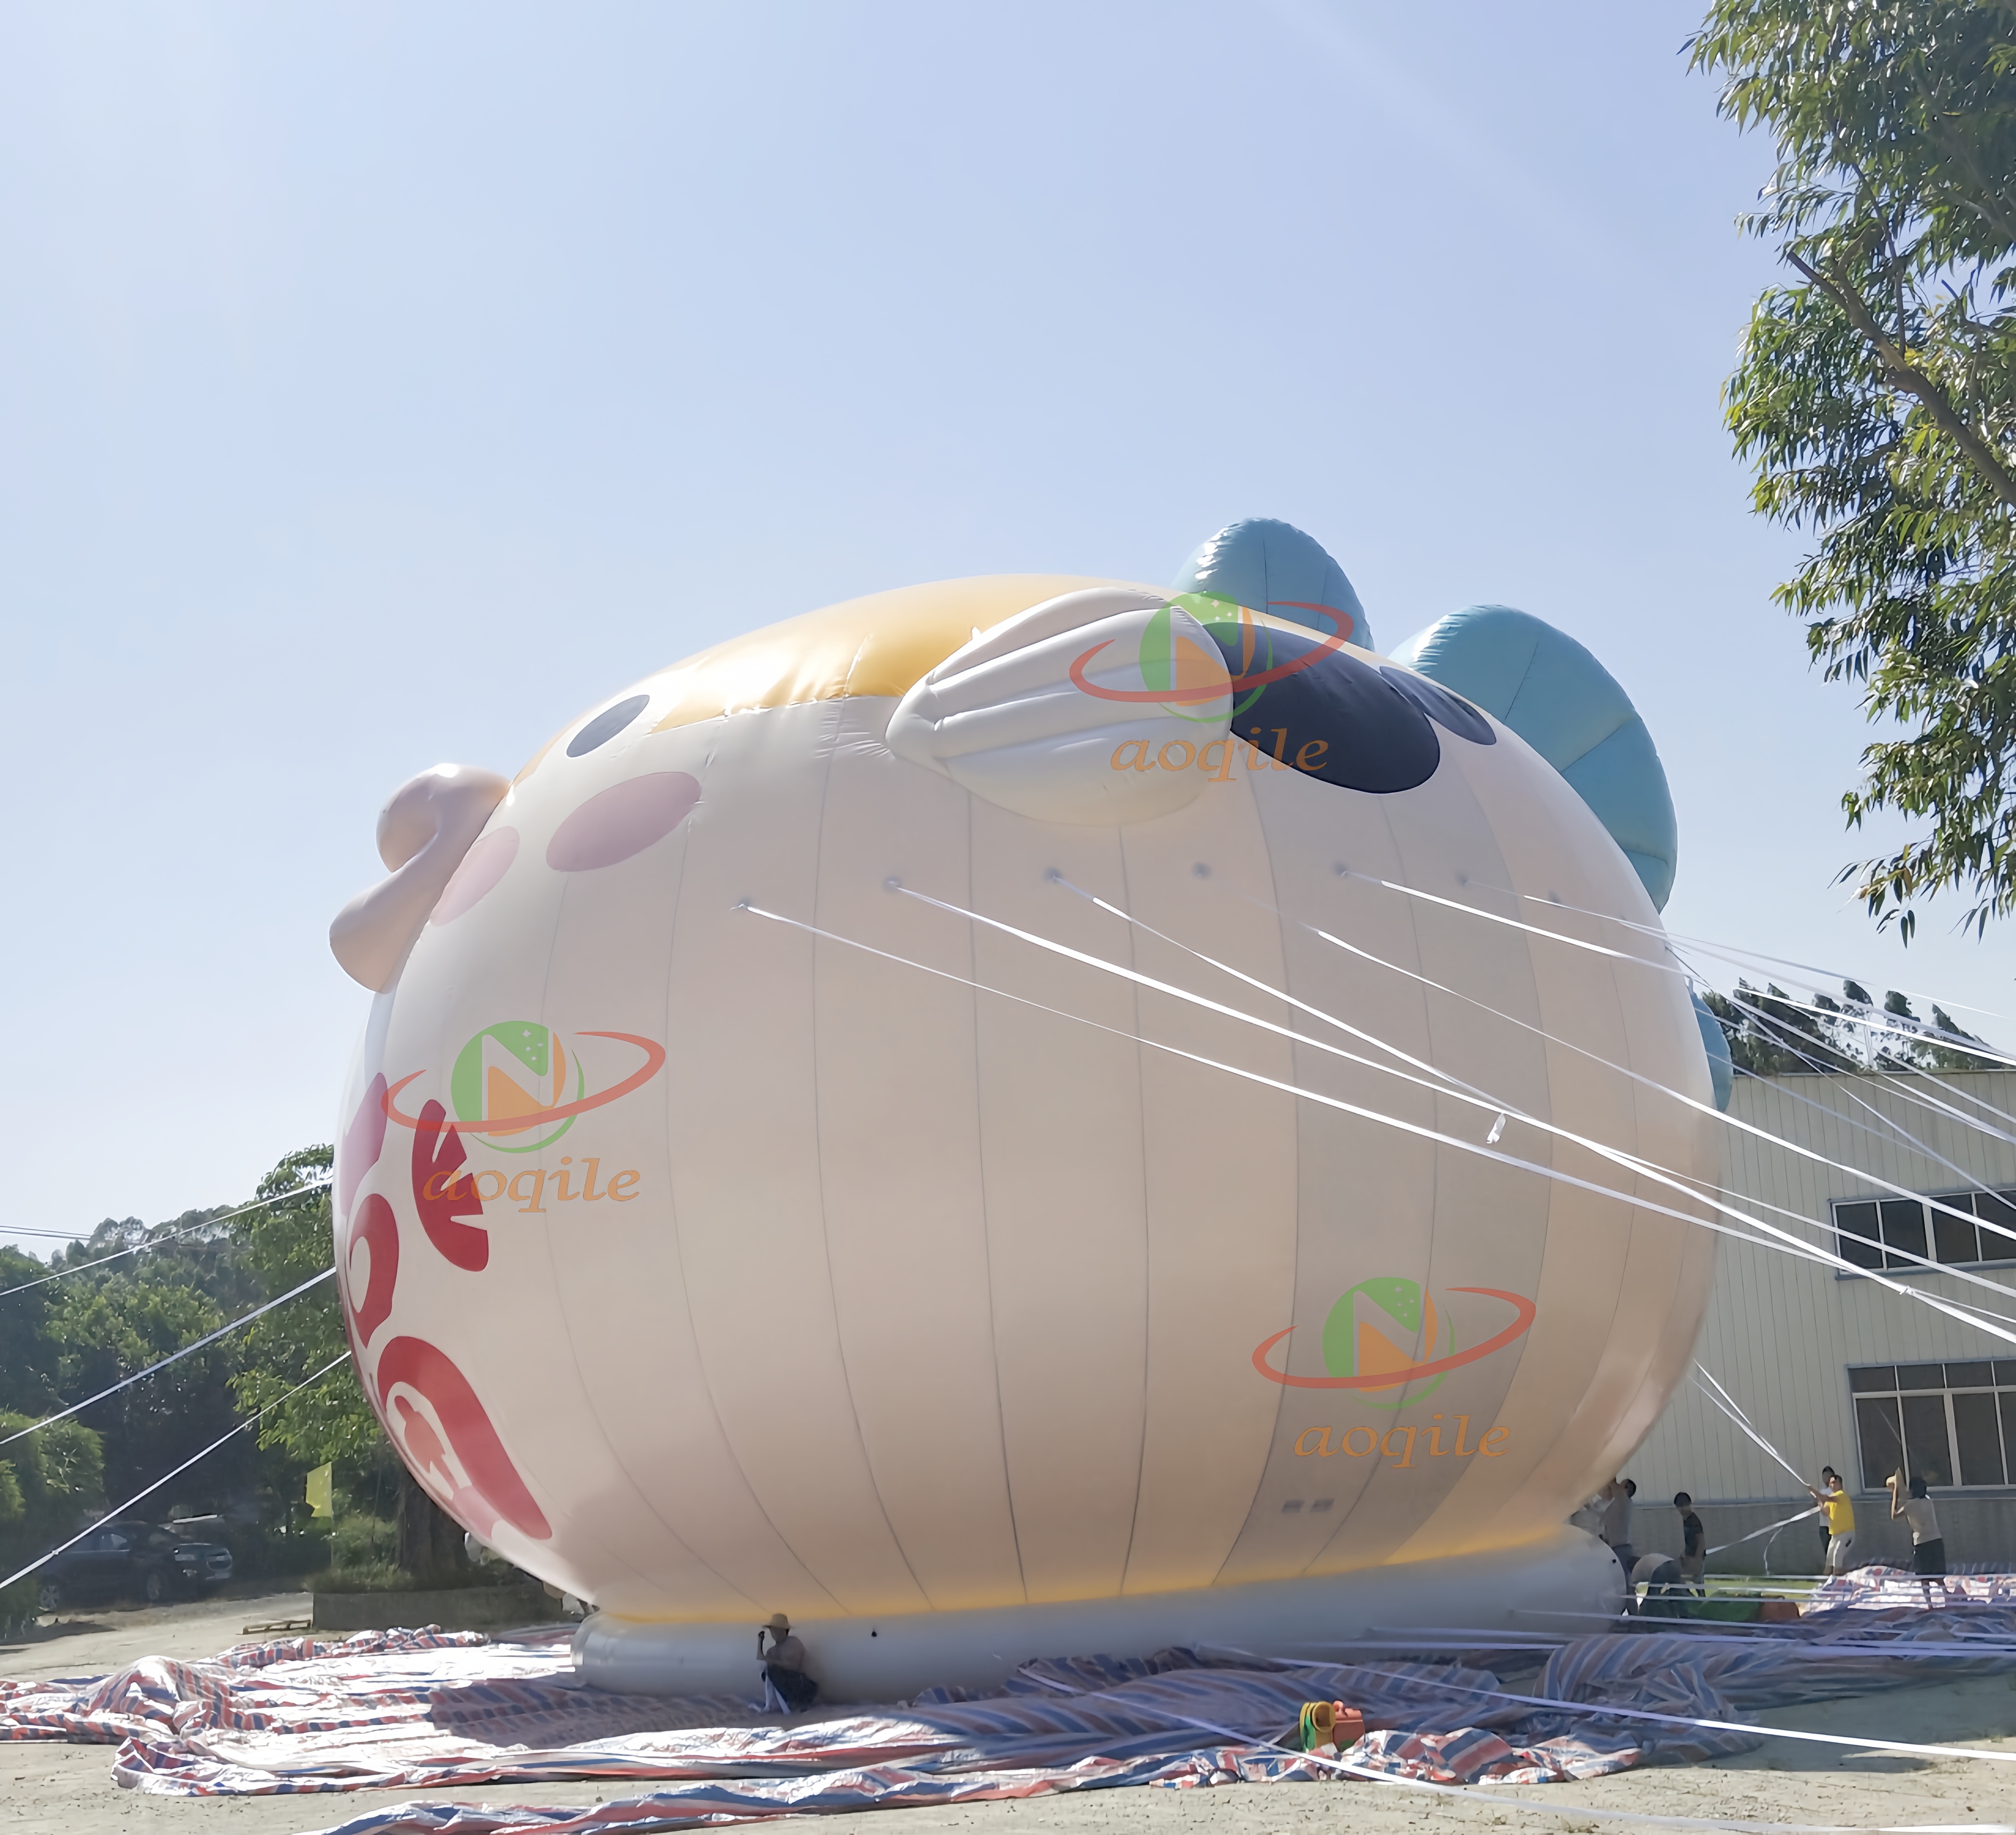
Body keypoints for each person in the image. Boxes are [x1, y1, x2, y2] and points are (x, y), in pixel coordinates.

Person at [1889, 1472, 1946, 1589]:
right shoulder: (1929, 1501)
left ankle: (1929, 1604)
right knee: (1938, 1577)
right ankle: (1947, 1597)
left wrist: (1895, 1492)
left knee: (1924, 1578)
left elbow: (1894, 1516)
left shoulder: (1910, 1505)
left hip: (1922, 1543)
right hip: (1936, 1540)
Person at [758, 1611, 818, 1713]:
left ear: (786, 1631)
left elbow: (792, 1667)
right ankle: (775, 1704)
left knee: (774, 1670)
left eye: (778, 1631)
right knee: (769, 1672)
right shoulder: (772, 1651)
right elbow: (761, 1660)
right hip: (789, 1686)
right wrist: (760, 1642)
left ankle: (793, 1705)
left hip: (803, 1686)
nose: (775, 1634)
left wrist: (773, 1662)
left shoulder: (793, 1643)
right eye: (773, 1631)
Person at [1805, 1468, 1855, 1574]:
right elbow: (1826, 1512)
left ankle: (1843, 1582)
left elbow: (1826, 1498)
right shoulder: (1832, 1498)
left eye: (1834, 1483)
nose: (1832, 1485)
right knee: (1828, 1565)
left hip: (1846, 1534)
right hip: (1835, 1536)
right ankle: (1824, 1586)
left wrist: (1813, 1491)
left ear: (1840, 1484)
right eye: (1831, 1483)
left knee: (1837, 1563)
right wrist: (1820, 1502)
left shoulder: (1841, 1495)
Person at [1599, 1476, 1637, 1584]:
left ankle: (1628, 1599)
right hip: (1614, 1548)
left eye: (1621, 1485)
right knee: (1617, 1578)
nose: (1618, 1487)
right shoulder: (1617, 1505)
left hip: (1621, 1549)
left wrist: (1611, 1474)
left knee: (1622, 1580)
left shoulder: (1624, 1501)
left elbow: (1612, 1482)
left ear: (1627, 1490)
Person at [1631, 1550, 1690, 1618]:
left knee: (1653, 1597)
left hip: (1660, 1568)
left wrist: (1635, 1612)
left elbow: (1631, 1591)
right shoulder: (1645, 1561)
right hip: (1674, 1566)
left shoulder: (1635, 1569)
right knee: (1678, 1594)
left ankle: (1648, 1618)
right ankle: (1684, 1616)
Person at [1674, 1492, 1707, 1594]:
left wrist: (1697, 1560)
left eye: (1684, 1505)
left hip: (1695, 1558)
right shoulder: (1686, 1521)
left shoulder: (1693, 1521)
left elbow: (1701, 1541)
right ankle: (1693, 1601)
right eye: (1680, 1506)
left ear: (1689, 1504)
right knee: (1683, 1582)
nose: (1682, 1509)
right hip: (1689, 1557)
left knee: (1696, 1585)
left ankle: (1699, 1603)